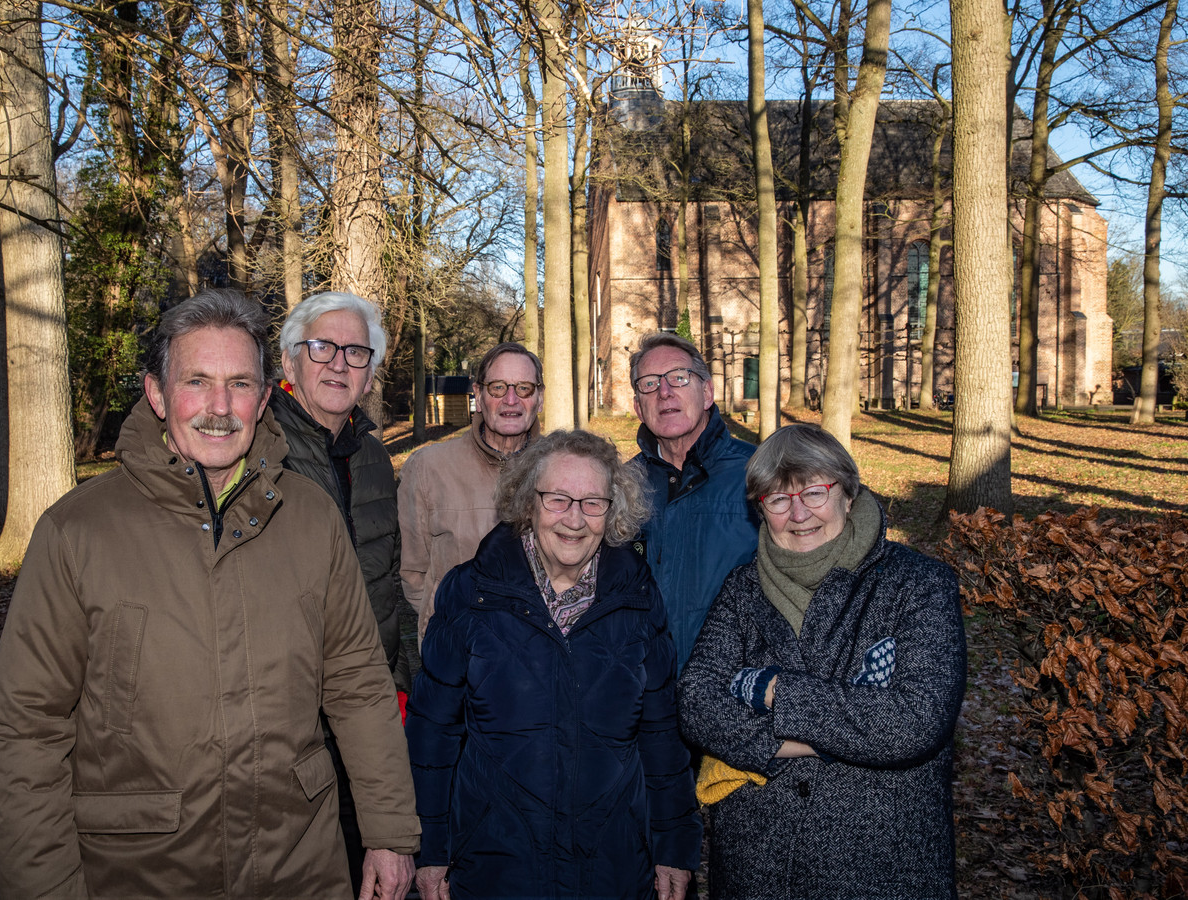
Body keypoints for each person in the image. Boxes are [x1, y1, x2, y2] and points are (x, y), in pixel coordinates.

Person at [0, 289, 419, 900]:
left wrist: (389, 832)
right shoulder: (76, 532)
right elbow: (26, 730)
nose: (220, 407)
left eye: (240, 383)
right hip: (139, 872)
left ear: (265, 397)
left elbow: (359, 684)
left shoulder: (311, 517)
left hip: (298, 866)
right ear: (158, 395)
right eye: (197, 381)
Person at [676, 423, 966, 900]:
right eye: (777, 500)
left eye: (814, 492)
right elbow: (697, 704)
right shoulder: (742, 590)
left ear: (847, 494)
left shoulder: (917, 584)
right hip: (757, 864)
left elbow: (914, 722)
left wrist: (771, 689)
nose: (798, 514)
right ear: (760, 510)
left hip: (881, 865)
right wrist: (823, 739)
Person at [407, 430, 701, 900]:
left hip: (614, 865)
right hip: (495, 863)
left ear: (613, 512)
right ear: (528, 503)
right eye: (558, 499)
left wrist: (674, 845)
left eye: (592, 503)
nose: (574, 520)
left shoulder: (638, 598)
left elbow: (661, 734)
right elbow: (432, 733)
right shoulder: (471, 592)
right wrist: (430, 849)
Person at [272, 290, 409, 894]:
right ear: (288, 363)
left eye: (356, 351)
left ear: (372, 370)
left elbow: (390, 575)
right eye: (321, 347)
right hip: (286, 724)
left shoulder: (375, 456)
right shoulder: (256, 453)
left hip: (367, 715)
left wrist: (403, 678)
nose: (339, 363)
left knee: (371, 868)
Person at [630, 332, 759, 670]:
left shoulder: (760, 474)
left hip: (735, 692)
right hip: (646, 697)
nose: (665, 392)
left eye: (679, 378)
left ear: (707, 393)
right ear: (637, 407)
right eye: (649, 384)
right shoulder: (621, 487)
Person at [398, 342, 543, 644]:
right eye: (498, 387)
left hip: (540, 658)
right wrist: (448, 628)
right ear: (478, 393)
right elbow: (414, 573)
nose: (511, 400)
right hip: (458, 655)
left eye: (524, 388)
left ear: (539, 397)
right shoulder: (428, 468)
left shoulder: (560, 470)